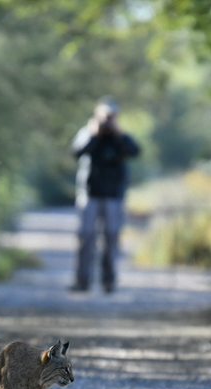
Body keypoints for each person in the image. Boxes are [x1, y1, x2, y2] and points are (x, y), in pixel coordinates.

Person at [70, 99, 140, 292]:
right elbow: (77, 152)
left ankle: (108, 280)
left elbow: (135, 151)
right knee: (86, 237)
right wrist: (94, 134)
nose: (108, 120)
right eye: (105, 116)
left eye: (112, 116)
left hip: (114, 195)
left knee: (111, 237)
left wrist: (118, 134)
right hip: (89, 194)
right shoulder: (88, 133)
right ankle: (82, 281)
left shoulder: (120, 136)